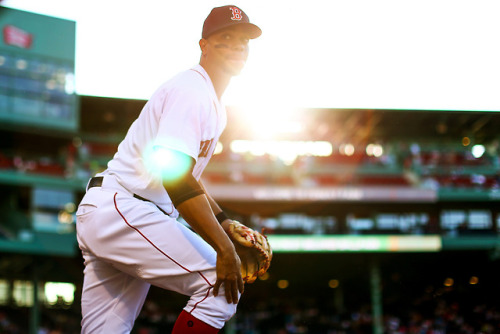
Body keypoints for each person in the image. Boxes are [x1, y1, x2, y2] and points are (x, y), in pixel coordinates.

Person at [76, 5, 261, 333]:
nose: (236, 46)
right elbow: (175, 178)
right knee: (219, 286)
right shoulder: (192, 91)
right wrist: (223, 245)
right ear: (203, 45)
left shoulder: (211, 100)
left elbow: (187, 179)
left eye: (243, 40)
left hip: (120, 210)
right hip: (126, 208)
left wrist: (222, 221)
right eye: (226, 37)